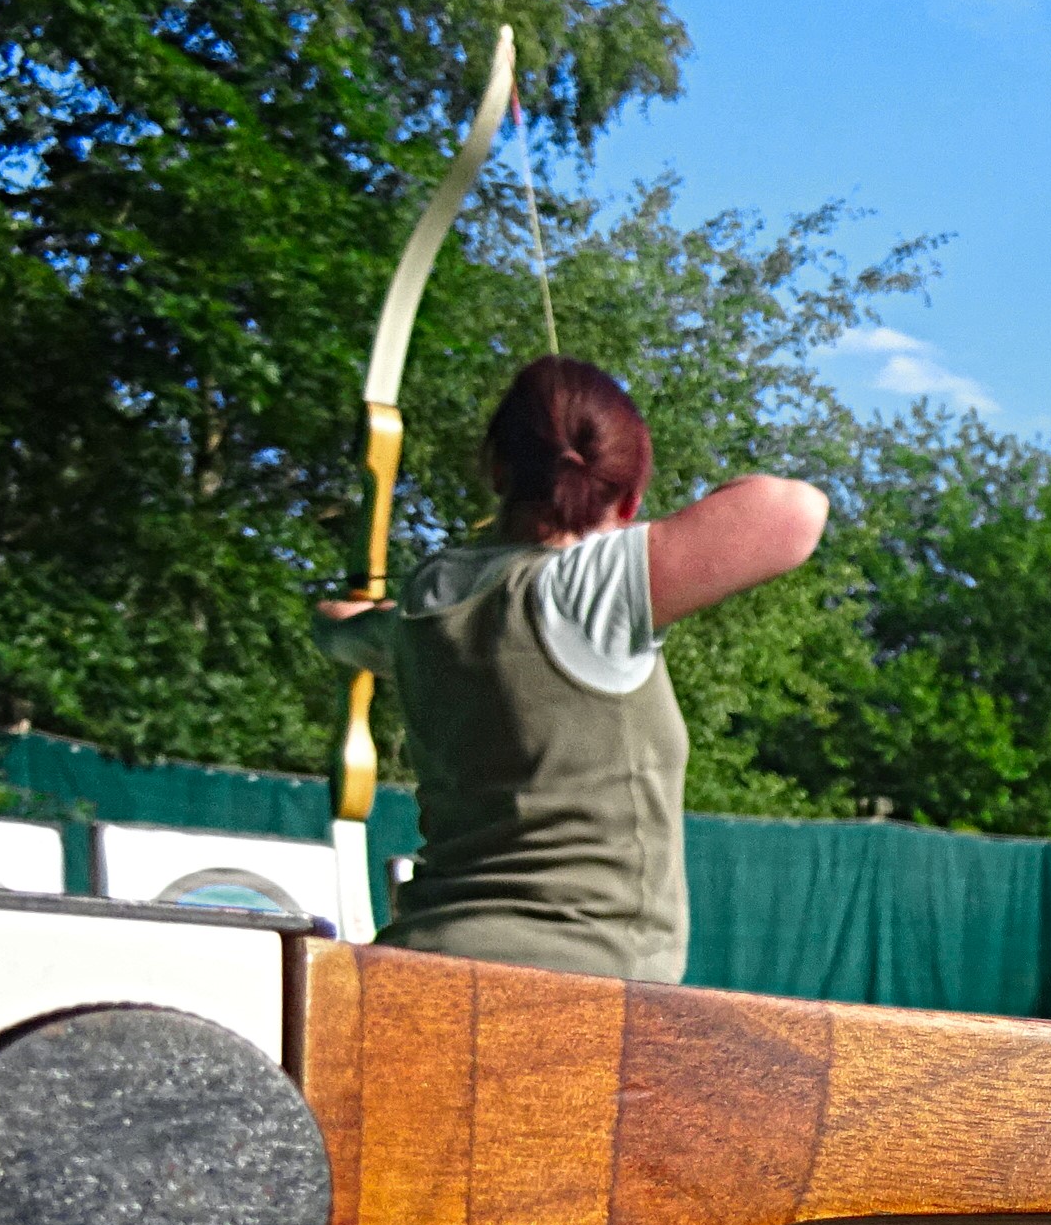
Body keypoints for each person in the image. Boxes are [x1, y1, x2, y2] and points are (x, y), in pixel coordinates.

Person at [315, 356, 827, 983]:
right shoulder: (593, 590)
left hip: (412, 966)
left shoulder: (428, 599)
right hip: (578, 993)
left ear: (498, 471)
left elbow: (340, 632)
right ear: (630, 497)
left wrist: (337, 612)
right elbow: (797, 511)